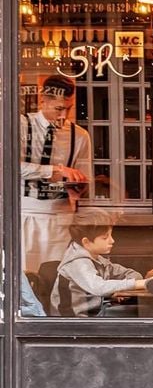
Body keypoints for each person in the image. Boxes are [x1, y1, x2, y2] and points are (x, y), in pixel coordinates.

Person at [20, 73, 91, 278]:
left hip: (61, 218)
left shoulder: (80, 136)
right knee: (25, 278)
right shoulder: (21, 126)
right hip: (25, 215)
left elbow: (84, 175)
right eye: (59, 109)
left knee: (57, 278)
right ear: (43, 100)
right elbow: (8, 166)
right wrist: (55, 170)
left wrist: (79, 187)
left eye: (68, 109)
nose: (63, 116)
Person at [53, 210, 146, 317]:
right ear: (86, 242)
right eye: (105, 237)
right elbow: (98, 287)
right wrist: (141, 283)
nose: (112, 241)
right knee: (140, 314)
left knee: (141, 311)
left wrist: (117, 290)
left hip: (95, 312)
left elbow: (131, 274)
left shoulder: (97, 258)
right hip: (74, 321)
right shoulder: (77, 263)